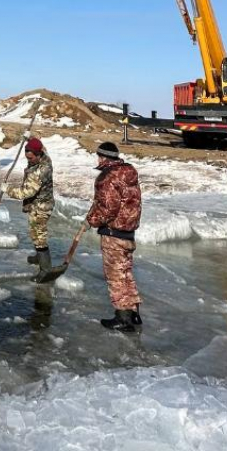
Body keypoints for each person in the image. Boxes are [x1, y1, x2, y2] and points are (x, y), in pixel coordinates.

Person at [85, 141, 143, 332]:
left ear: (103, 157)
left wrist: (91, 220)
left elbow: (108, 208)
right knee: (126, 272)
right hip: (128, 233)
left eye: (98, 156)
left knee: (116, 276)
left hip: (113, 233)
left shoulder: (108, 177)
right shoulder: (129, 172)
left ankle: (123, 318)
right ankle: (133, 312)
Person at [1, 136, 54, 274]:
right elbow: (42, 147)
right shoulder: (44, 156)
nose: (28, 160)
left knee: (39, 236)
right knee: (34, 233)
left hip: (41, 208)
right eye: (27, 157)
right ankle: (38, 257)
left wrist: (7, 189)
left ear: (38, 155)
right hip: (38, 205)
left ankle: (45, 268)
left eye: (31, 158)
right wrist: (30, 138)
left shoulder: (40, 171)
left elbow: (25, 193)